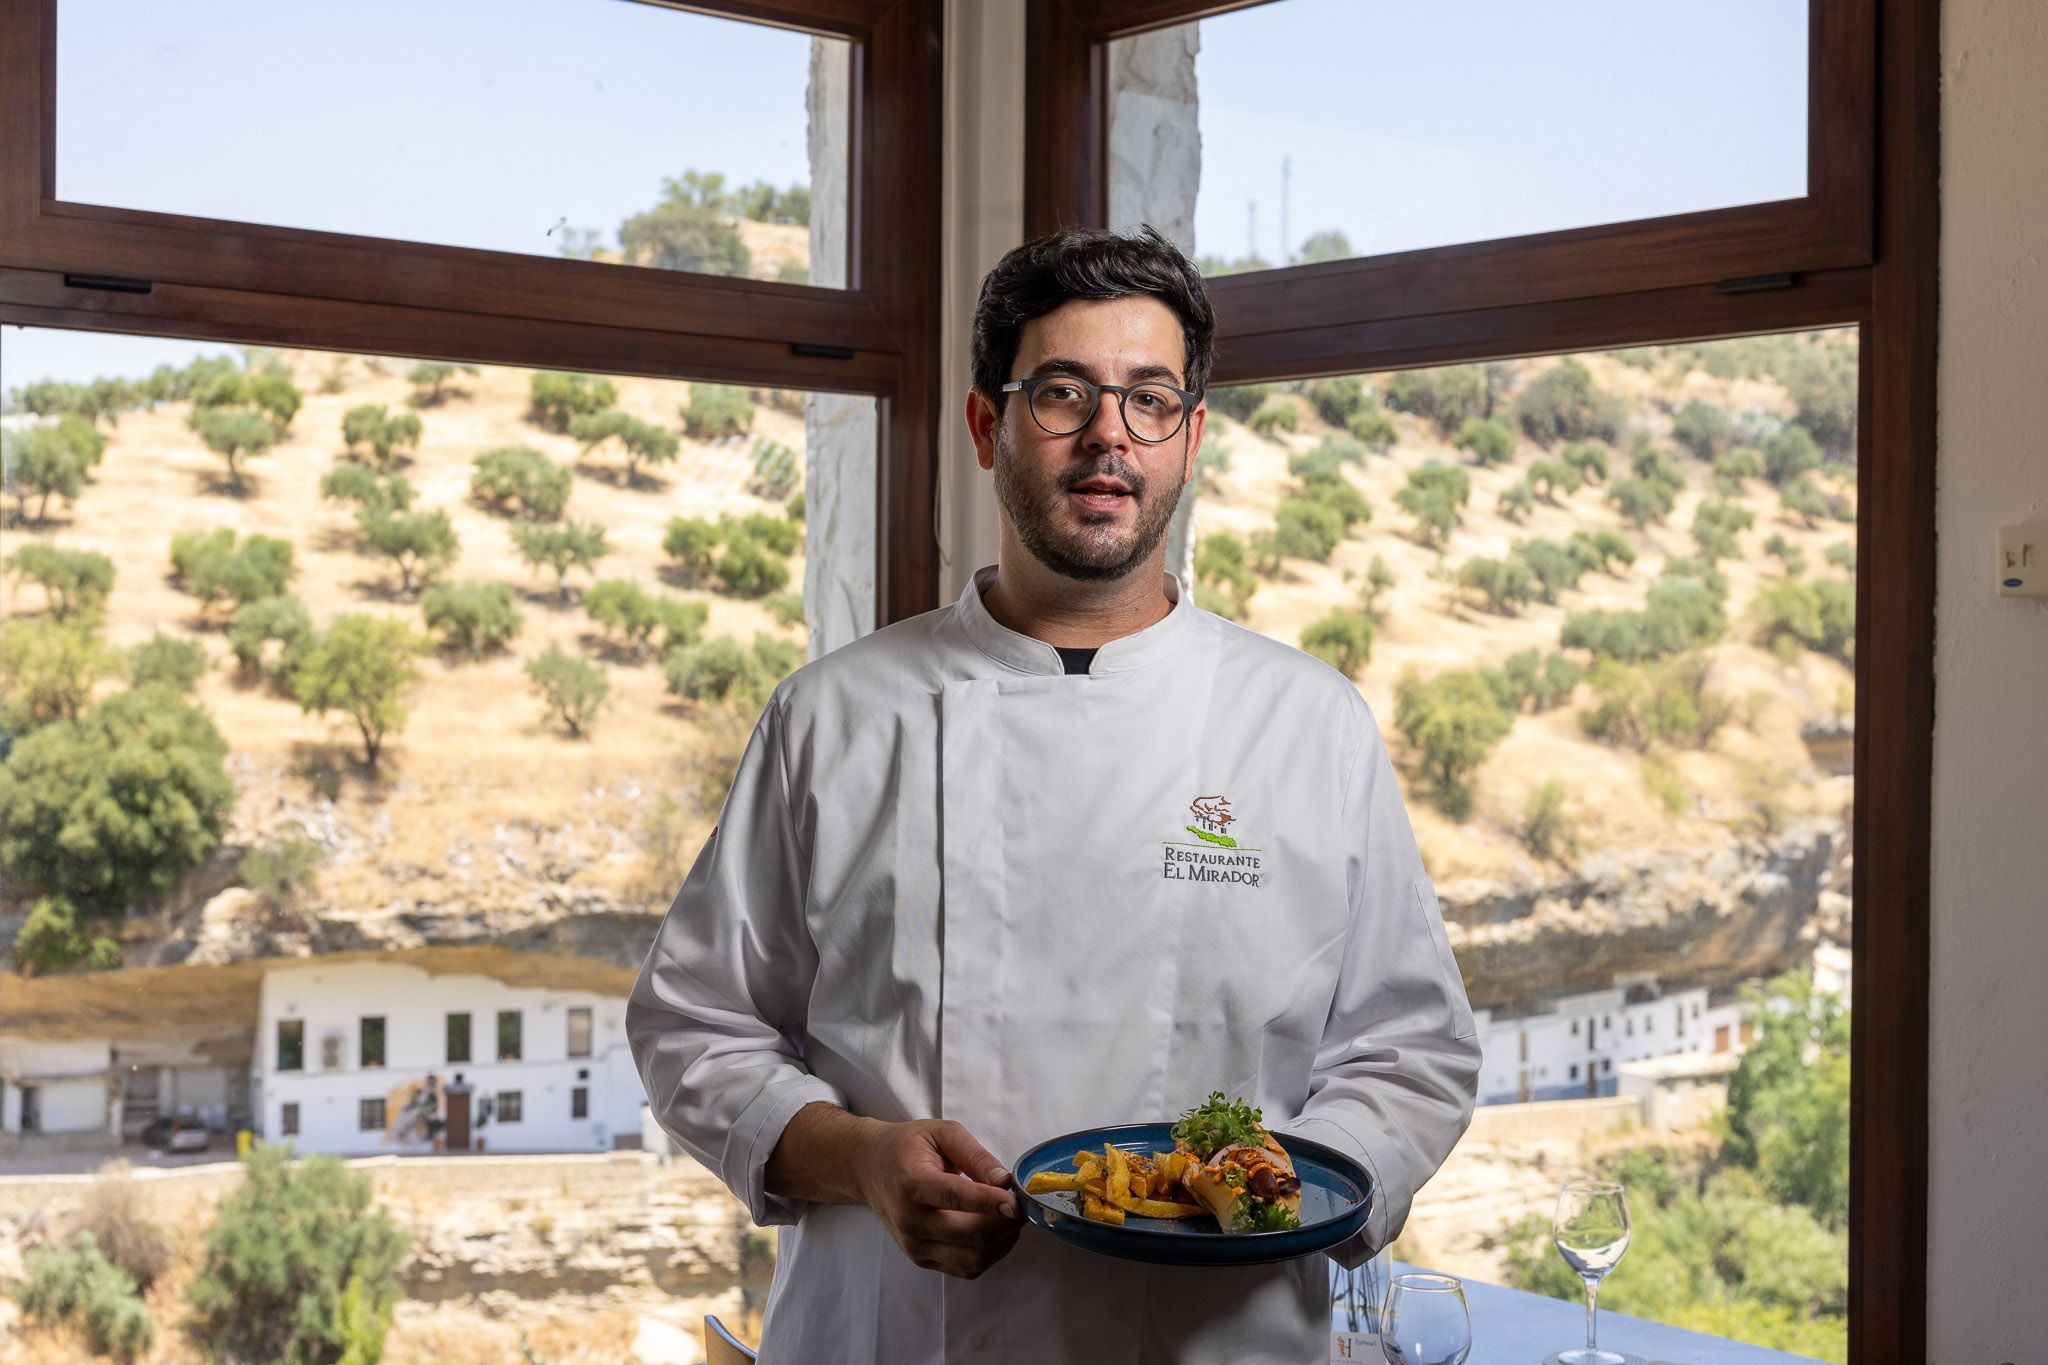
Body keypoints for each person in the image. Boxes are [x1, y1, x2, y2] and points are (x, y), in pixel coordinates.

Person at [628, 226, 1481, 1364]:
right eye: (1062, 394)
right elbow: (694, 1028)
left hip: (1217, 1341)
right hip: (896, 1334)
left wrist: (1286, 1186)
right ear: (988, 425)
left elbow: (1408, 1052)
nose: (1107, 439)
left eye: (1148, 400)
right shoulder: (834, 716)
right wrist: (862, 1161)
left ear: (1189, 437)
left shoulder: (1308, 723)